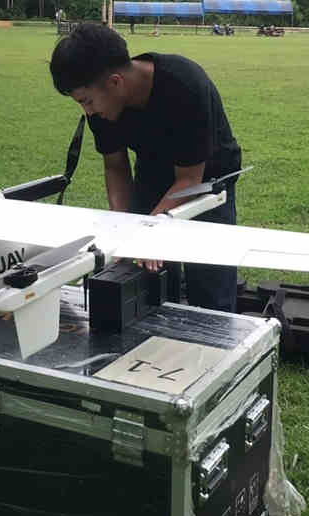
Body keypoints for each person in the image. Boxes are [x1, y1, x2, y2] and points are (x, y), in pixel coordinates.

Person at [49, 23, 242, 312]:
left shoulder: (184, 83)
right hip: (153, 175)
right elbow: (115, 167)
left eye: (86, 101)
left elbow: (190, 178)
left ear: (115, 82)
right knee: (143, 274)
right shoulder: (102, 107)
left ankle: (219, 341)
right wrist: (123, 226)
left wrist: (147, 231)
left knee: (209, 280)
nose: (88, 112)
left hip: (208, 181)